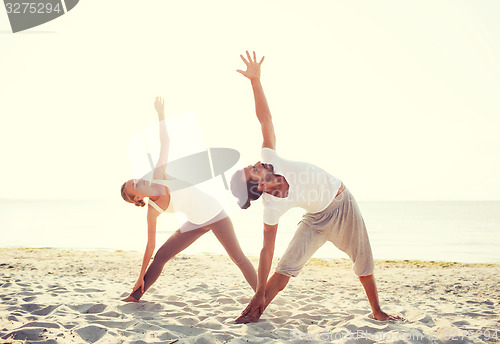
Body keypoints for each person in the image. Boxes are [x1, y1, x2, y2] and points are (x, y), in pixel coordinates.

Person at [230, 51, 402, 323]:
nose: (256, 163)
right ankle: (255, 311)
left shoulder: (270, 158)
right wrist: (259, 290)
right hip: (314, 220)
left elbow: (265, 119)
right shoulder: (271, 207)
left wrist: (255, 81)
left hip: (341, 203)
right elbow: (267, 251)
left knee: (363, 261)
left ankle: (377, 311)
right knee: (285, 267)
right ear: (259, 184)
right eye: (252, 170)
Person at [121, 96, 257, 302]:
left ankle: (262, 295)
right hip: (194, 223)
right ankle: (135, 296)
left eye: (136, 179)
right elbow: (149, 246)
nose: (140, 179)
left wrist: (160, 114)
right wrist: (140, 276)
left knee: (238, 258)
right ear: (138, 197)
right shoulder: (152, 210)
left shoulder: (159, 174)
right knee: (159, 256)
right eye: (136, 185)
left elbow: (165, 142)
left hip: (215, 213)